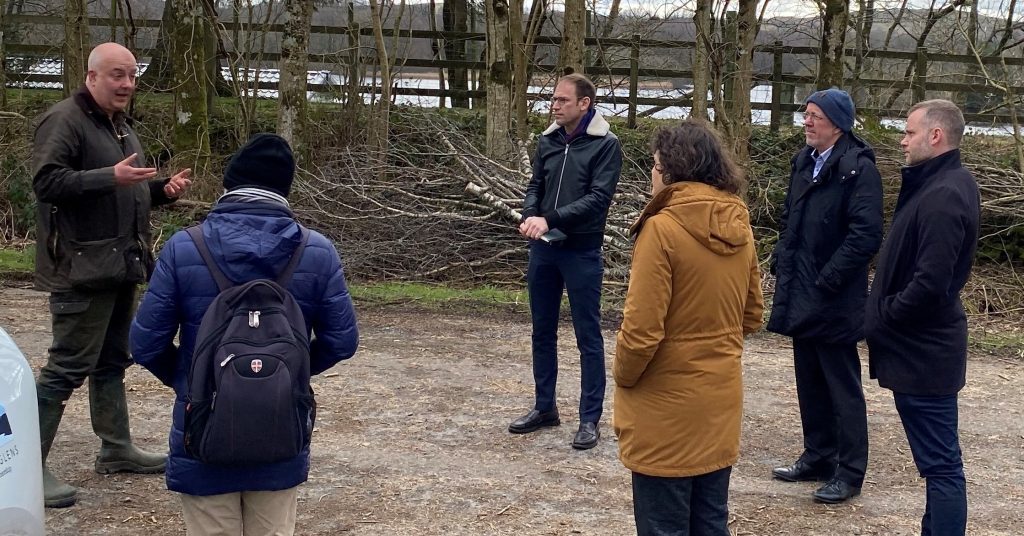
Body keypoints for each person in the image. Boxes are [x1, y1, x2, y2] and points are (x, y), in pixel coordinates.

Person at [130, 133, 360, 535]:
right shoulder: (317, 251)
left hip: (202, 430)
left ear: (229, 185)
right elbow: (342, 341)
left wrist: (194, 378)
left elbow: (144, 344)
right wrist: (286, 377)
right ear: (285, 189)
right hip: (280, 429)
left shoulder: (185, 248)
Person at [31, 41, 193, 508]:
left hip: (119, 267)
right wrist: (109, 177)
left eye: (131, 76)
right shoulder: (65, 120)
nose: (126, 84)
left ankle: (116, 448)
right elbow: (46, 183)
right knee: (64, 370)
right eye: (116, 75)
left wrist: (162, 191)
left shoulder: (117, 126)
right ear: (92, 77)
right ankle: (26, 467)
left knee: (111, 362)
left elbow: (126, 191)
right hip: (81, 270)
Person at [614, 120, 763, 535]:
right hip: (719, 402)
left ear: (671, 169)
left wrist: (623, 376)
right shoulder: (739, 222)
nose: (652, 173)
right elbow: (752, 313)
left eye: (655, 164)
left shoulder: (661, 228)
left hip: (665, 407)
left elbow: (641, 330)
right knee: (710, 522)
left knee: (663, 525)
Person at [865, 100, 979, 536]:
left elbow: (932, 283)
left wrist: (886, 313)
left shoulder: (945, 193)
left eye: (909, 132)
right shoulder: (939, 184)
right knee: (938, 465)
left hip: (925, 353)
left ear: (935, 136)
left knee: (943, 466)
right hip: (922, 350)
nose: (902, 140)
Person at [766, 88, 883, 504]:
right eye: (806, 114)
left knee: (841, 385)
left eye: (815, 115)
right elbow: (790, 218)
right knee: (809, 380)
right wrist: (782, 257)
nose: (807, 121)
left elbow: (866, 234)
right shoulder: (804, 162)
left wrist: (829, 278)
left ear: (838, 122)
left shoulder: (857, 168)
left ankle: (850, 472)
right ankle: (818, 456)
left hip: (833, 296)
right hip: (801, 290)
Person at [509, 73, 622, 450]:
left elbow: (597, 199)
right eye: (553, 100)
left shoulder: (606, 146)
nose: (553, 105)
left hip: (581, 251)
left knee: (587, 336)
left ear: (584, 104)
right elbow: (535, 186)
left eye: (561, 100)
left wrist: (550, 219)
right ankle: (545, 408)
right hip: (543, 249)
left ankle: (590, 419)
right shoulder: (548, 140)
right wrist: (529, 214)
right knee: (541, 331)